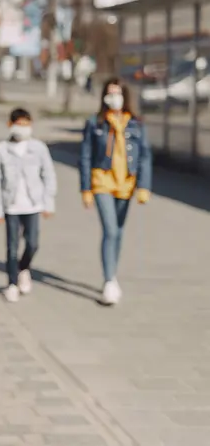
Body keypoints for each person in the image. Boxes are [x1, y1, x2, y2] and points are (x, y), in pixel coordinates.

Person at [79, 78, 152, 306]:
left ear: (125, 96)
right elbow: (85, 157)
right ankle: (109, 280)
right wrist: (86, 188)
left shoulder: (136, 124)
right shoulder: (96, 123)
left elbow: (145, 156)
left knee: (118, 232)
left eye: (117, 93)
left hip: (126, 184)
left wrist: (144, 186)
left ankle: (113, 274)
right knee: (110, 229)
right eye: (109, 93)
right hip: (102, 182)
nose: (113, 98)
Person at [0, 108, 57, 303]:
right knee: (12, 246)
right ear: (10, 125)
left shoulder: (38, 148)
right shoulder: (1, 149)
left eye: (27, 124)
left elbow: (48, 174)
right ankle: (11, 283)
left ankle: (23, 268)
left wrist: (48, 203)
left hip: (33, 204)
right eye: (19, 124)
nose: (23, 128)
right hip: (11, 206)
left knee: (33, 243)